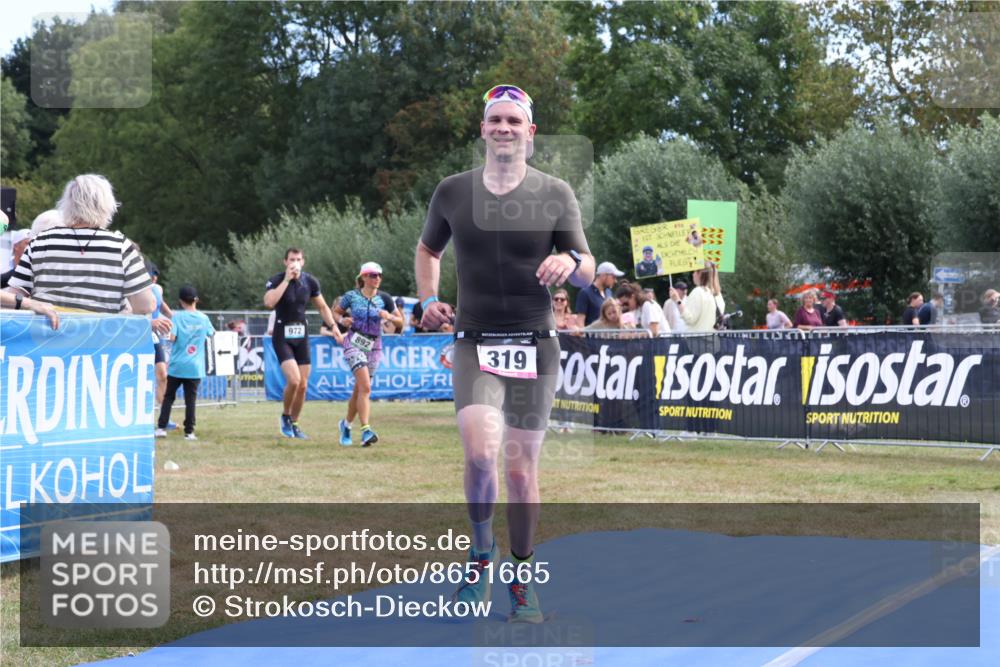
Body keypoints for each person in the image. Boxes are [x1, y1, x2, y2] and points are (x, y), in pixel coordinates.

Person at [415, 83, 595, 624]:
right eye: (495, 120)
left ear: (530, 132)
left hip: (535, 345)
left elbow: (587, 263)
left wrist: (571, 263)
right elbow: (428, 249)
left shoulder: (555, 192)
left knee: (519, 470)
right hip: (474, 342)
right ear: (483, 129)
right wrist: (427, 299)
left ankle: (521, 573)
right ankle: (479, 553)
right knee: (477, 452)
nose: (504, 129)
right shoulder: (452, 191)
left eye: (514, 122)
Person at [5, 175, 155, 314]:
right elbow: (145, 306)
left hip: (47, 339)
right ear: (108, 205)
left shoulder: (39, 243)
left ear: (66, 204)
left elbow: (13, 298)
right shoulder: (122, 247)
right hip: (103, 340)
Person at [263, 247, 341, 440]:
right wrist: (287, 280)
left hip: (302, 334)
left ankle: (295, 423)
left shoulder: (310, 281)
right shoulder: (276, 279)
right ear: (285, 262)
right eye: (291, 259)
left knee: (304, 385)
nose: (294, 263)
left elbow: (322, 306)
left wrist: (334, 326)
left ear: (303, 262)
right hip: (282, 334)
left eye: (298, 259)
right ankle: (285, 416)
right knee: (294, 380)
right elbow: (269, 302)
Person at [330, 261, 403, 447]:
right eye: (372, 275)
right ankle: (366, 431)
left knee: (360, 389)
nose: (377, 278)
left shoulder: (385, 298)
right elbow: (334, 313)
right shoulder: (351, 297)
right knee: (366, 388)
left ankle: (346, 425)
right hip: (353, 342)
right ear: (363, 277)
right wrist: (342, 319)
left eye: (379, 275)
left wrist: (390, 317)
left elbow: (401, 323)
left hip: (375, 346)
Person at [155, 286, 215, 440]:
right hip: (195, 367)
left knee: (169, 397)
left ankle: (161, 428)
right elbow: (211, 333)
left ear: (181, 301)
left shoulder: (177, 317)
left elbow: (172, 338)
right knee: (191, 400)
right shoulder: (204, 318)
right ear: (196, 300)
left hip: (177, 365)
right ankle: (189, 432)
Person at [146, 260, 175, 406]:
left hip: (155, 335)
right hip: (139, 334)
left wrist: (174, 318)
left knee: (163, 375)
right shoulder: (135, 290)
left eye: (156, 276)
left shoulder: (158, 289)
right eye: (152, 275)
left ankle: (164, 418)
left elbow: (162, 306)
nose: (155, 278)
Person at [669, 261, 724, 333]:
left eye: (695, 271)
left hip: (698, 340)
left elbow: (690, 319)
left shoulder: (698, 291)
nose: (693, 274)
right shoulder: (717, 294)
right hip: (713, 339)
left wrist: (677, 300)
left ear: (700, 274)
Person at [575, 261, 623, 326]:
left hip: (608, 335)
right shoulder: (585, 293)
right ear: (603, 275)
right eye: (613, 277)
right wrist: (583, 335)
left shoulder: (609, 292)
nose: (615, 281)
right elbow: (580, 321)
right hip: (592, 335)